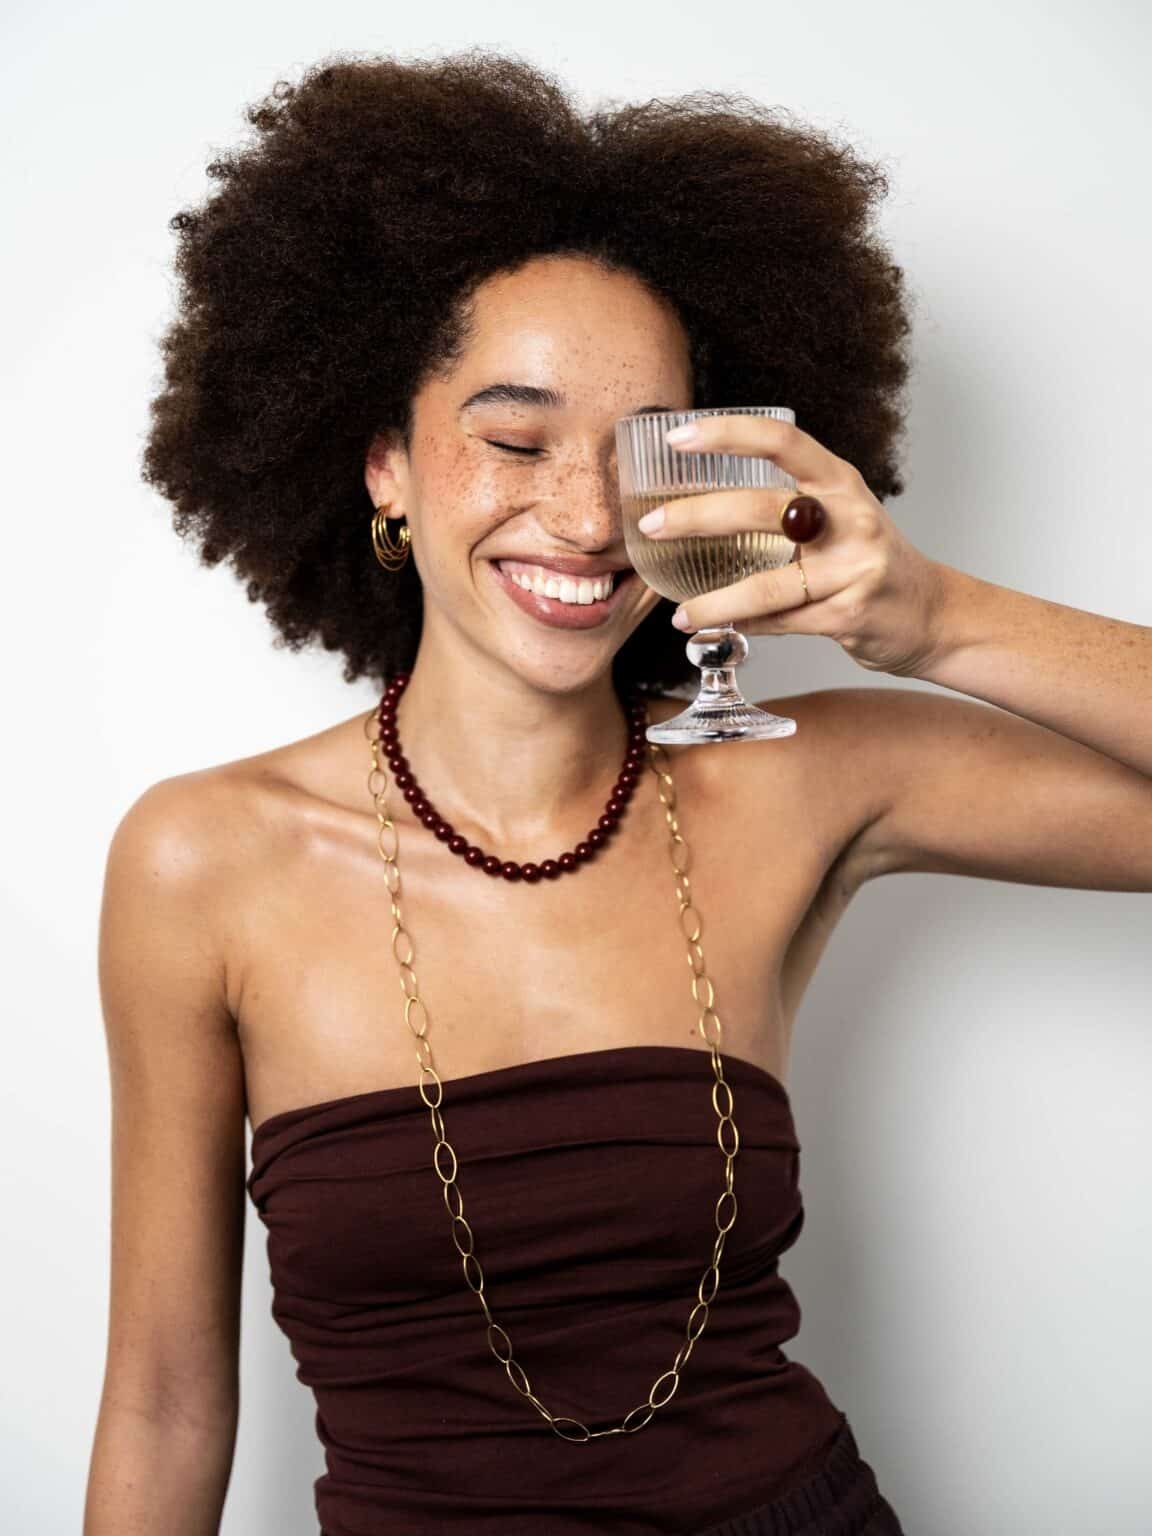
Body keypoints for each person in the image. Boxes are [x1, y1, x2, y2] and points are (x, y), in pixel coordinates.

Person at [83, 49, 1152, 1536]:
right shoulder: (200, 862)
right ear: (386, 464)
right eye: (514, 441)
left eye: (646, 457)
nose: (589, 519)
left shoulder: (799, 784)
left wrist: (931, 617)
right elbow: (163, 1399)